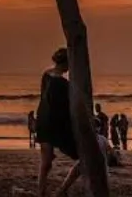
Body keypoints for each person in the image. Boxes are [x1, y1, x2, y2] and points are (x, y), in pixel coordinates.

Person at [35, 48, 80, 197]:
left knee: (48, 161)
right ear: (66, 63)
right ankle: (42, 191)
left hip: (52, 121)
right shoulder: (55, 80)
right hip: (48, 121)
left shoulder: (55, 79)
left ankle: (61, 190)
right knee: (46, 161)